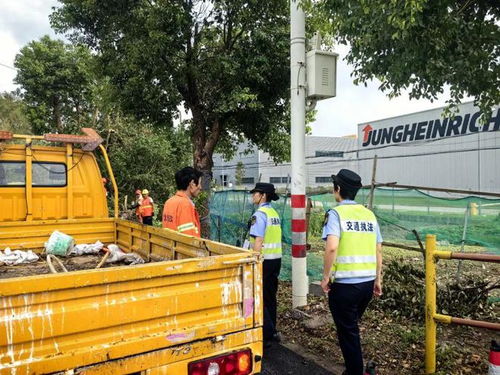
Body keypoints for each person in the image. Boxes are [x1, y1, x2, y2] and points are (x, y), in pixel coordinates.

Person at [320, 169, 383, 375]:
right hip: (366, 285)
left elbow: (331, 247)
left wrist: (325, 277)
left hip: (345, 287)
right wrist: (378, 279)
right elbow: (378, 248)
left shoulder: (336, 214)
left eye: (334, 187)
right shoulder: (369, 214)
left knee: (348, 331)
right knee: (351, 328)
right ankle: (353, 369)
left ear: (338, 189)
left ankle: (355, 371)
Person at [247, 182, 282, 347]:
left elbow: (258, 240)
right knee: (270, 296)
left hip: (264, 261)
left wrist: (254, 260)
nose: (253, 195)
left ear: (263, 196)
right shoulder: (273, 213)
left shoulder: (260, 214)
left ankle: (267, 333)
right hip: (276, 260)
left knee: (259, 296)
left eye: (256, 193)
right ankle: (272, 330)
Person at [162, 167, 203, 237]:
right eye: (199, 183)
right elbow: (189, 238)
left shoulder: (169, 202)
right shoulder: (185, 205)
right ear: (192, 184)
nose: (200, 187)